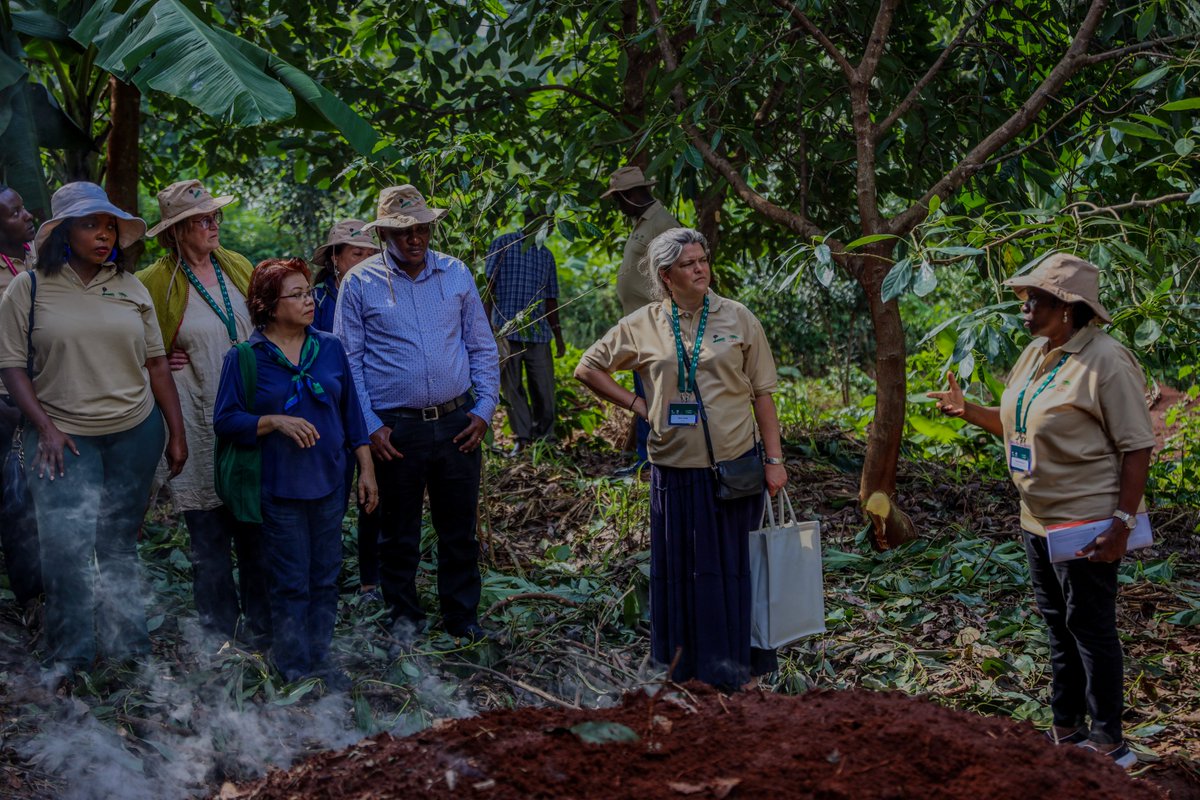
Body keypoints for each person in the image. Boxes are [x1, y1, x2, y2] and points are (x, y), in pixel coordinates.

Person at [928, 253, 1154, 769]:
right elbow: (1018, 428)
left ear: (1070, 308)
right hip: (1037, 519)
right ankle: (1066, 729)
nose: (1026, 308)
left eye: (1039, 300)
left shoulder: (1107, 360)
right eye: (1026, 298)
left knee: (1090, 626)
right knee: (1057, 626)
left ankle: (1109, 743)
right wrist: (969, 411)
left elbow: (1137, 447)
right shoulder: (1034, 353)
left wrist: (1122, 524)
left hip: (1087, 522)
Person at [575, 227, 787, 689]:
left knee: (734, 569)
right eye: (689, 264)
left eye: (703, 259)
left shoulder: (738, 317)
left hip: (735, 468)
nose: (700, 269)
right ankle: (685, 672)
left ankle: (740, 672)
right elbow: (587, 367)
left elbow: (764, 394)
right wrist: (638, 406)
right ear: (666, 275)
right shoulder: (644, 323)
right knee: (683, 573)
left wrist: (774, 460)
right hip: (674, 471)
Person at [0, 182, 187, 680]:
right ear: (63, 232)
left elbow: (157, 365)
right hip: (62, 440)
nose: (104, 235)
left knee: (119, 543)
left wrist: (175, 431)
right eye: (90, 225)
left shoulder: (130, 287)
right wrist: (45, 427)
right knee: (65, 549)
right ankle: (71, 659)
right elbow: (12, 366)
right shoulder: (31, 286)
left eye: (110, 226)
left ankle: (131, 651)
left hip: (134, 431)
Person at [334, 185, 499, 647]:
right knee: (397, 533)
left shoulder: (455, 273)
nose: (415, 239)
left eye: (423, 229)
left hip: (457, 423)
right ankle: (404, 621)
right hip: (394, 427)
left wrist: (483, 410)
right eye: (405, 231)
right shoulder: (360, 282)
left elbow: (482, 348)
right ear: (384, 231)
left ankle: (462, 618)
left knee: (458, 531)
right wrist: (370, 426)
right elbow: (350, 362)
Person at [214, 258, 377, 687]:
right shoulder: (245, 358)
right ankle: (292, 666)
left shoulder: (330, 347)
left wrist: (366, 469)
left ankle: (321, 659)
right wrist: (273, 422)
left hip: (329, 482)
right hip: (278, 486)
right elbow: (225, 420)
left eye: (310, 292)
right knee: (289, 581)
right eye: (298, 294)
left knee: (325, 576)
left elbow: (352, 415)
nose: (310, 301)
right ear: (268, 304)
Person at [138, 180, 271, 648]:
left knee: (255, 531)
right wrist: (160, 355)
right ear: (175, 232)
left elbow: (266, 325)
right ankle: (221, 637)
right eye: (201, 220)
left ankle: (262, 631)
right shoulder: (154, 282)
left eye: (214, 217)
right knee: (209, 537)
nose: (213, 225)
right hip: (195, 418)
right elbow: (136, 349)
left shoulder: (237, 266)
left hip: (248, 413)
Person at [601, 166, 680, 476]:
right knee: (645, 390)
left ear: (631, 196)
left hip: (657, 325)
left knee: (655, 391)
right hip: (640, 325)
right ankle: (645, 458)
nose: (618, 206)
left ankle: (654, 459)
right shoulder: (642, 223)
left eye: (618, 200)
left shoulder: (663, 224)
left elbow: (678, 272)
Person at [483, 213, 566, 453]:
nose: (549, 229)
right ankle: (523, 438)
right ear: (531, 221)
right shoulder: (503, 243)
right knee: (512, 388)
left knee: (544, 389)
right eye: (547, 224)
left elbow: (551, 299)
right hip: (506, 332)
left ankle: (545, 439)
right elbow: (488, 286)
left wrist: (558, 335)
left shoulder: (546, 255)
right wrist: (486, 328)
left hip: (538, 335)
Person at [0, 184, 43, 612]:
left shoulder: (39, 256)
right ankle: (31, 600)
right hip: (5, 405)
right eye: (14, 213)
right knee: (14, 503)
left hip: (47, 397)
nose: (27, 215)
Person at [310, 219, 380, 334]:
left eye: (370, 255)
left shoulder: (382, 293)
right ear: (335, 258)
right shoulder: (317, 299)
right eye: (357, 253)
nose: (365, 261)